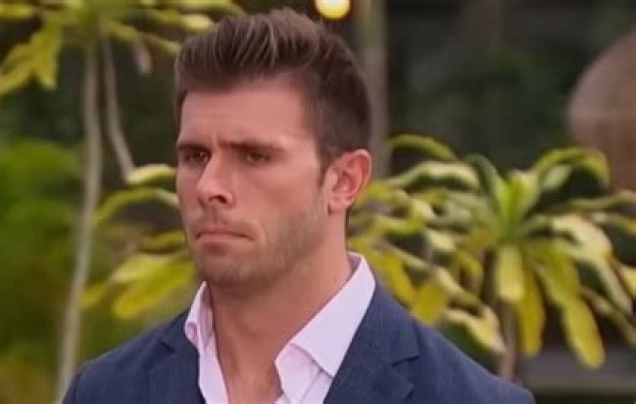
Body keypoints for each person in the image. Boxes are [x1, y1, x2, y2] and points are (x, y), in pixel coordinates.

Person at [63, 8, 535, 404]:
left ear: (344, 181)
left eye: (254, 156)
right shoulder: (106, 392)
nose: (209, 186)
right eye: (195, 156)